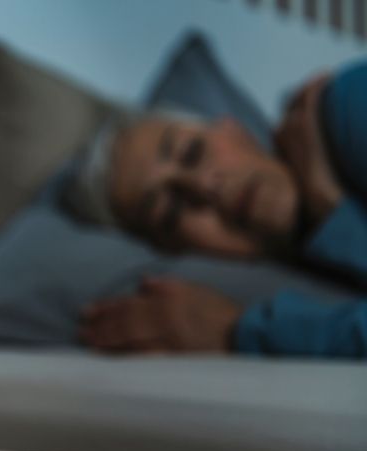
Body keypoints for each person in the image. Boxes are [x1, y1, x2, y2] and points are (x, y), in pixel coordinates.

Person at [76, 62, 367, 358]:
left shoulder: (343, 108)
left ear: (233, 130)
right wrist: (332, 213)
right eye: (171, 211)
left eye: (193, 153)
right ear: (174, 249)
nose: (203, 186)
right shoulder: (318, 254)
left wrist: (238, 331)